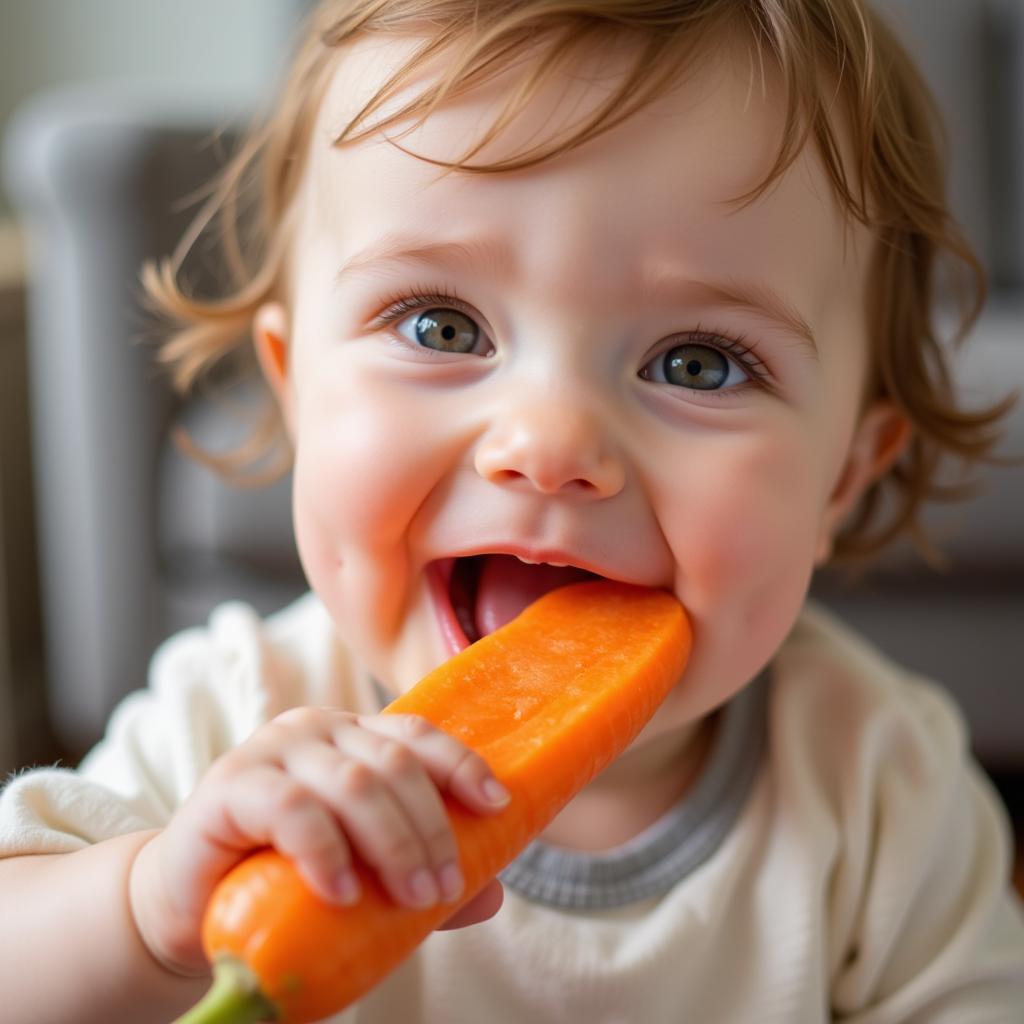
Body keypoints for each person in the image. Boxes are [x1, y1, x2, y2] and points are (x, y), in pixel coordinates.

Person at [2, 0, 1023, 1020]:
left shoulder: (881, 784)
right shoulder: (238, 718)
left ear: (842, 476)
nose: (549, 444)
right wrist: (146, 911)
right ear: (292, 390)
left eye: (695, 363)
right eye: (442, 326)